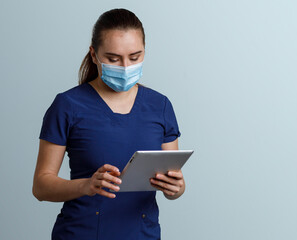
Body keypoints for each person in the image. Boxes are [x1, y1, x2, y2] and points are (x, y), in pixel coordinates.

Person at [32, 8, 184, 240]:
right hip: (81, 233)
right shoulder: (67, 105)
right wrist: (86, 185)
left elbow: (172, 181)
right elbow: (41, 186)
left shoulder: (160, 106)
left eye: (134, 57)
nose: (125, 67)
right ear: (94, 55)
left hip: (142, 234)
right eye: (113, 59)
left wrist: (176, 188)